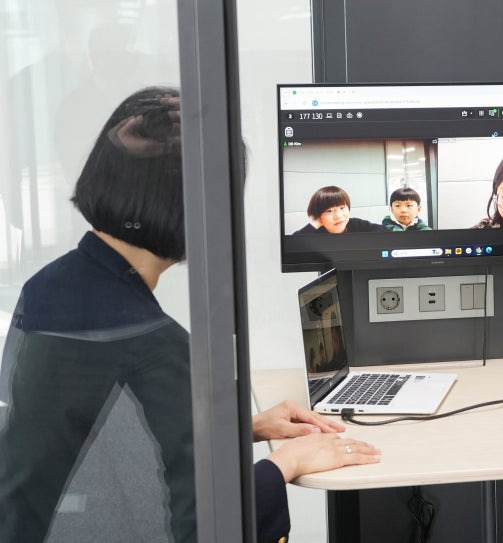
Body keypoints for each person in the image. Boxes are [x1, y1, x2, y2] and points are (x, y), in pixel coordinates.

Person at [0, 87, 380, 543]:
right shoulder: (153, 343)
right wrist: (286, 463)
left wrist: (244, 428)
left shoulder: (50, 286)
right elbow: (202, 527)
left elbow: (101, 439)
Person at [292, 185, 383, 234]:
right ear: (318, 215)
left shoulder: (357, 224)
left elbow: (385, 230)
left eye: (342, 208)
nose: (338, 216)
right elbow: (294, 244)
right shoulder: (315, 233)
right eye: (329, 211)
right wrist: (315, 223)